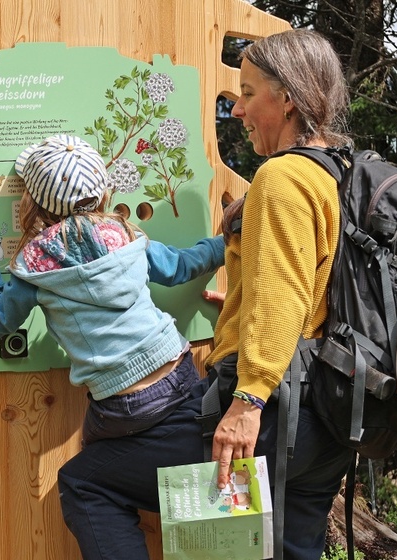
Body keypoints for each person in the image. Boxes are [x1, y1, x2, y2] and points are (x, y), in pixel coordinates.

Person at [56, 29, 355, 560]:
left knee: (88, 481)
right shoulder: (337, 169)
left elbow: (283, 292)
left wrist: (246, 401)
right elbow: (316, 279)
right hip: (326, 420)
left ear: (286, 98)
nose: (236, 109)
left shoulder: (283, 177)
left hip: (273, 412)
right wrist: (240, 306)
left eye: (247, 92)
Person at [0, 133, 224, 445]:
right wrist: (227, 243)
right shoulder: (125, 234)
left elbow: (0, 321)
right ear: (104, 194)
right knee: (178, 458)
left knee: (89, 475)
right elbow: (179, 267)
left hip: (122, 402)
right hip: (178, 368)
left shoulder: (35, 264)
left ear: (33, 204)